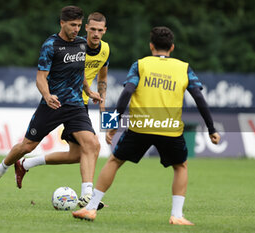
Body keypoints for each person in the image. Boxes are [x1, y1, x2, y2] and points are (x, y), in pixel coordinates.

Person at [72, 26, 221, 225]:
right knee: (180, 166)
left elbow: (126, 93)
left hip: (140, 126)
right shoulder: (183, 67)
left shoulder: (140, 65)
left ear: (151, 46)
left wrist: (113, 125)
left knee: (115, 161)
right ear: (172, 47)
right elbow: (199, 98)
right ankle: (176, 215)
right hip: (169, 128)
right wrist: (211, 129)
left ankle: (90, 209)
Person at [0, 6, 103, 208]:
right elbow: (40, 78)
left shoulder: (82, 44)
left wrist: (88, 91)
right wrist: (47, 96)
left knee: (91, 144)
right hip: (52, 104)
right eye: (73, 25)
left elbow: (79, 72)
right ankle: (1, 169)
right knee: (27, 146)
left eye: (79, 25)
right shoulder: (50, 45)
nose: (76, 29)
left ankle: (87, 195)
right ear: (62, 23)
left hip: (75, 105)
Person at [83, 12, 110, 113]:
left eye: (100, 30)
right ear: (86, 28)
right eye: (93, 29)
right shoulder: (76, 46)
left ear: (105, 30)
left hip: (81, 103)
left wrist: (102, 105)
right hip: (61, 99)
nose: (96, 34)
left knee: (86, 130)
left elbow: (102, 77)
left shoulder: (105, 49)